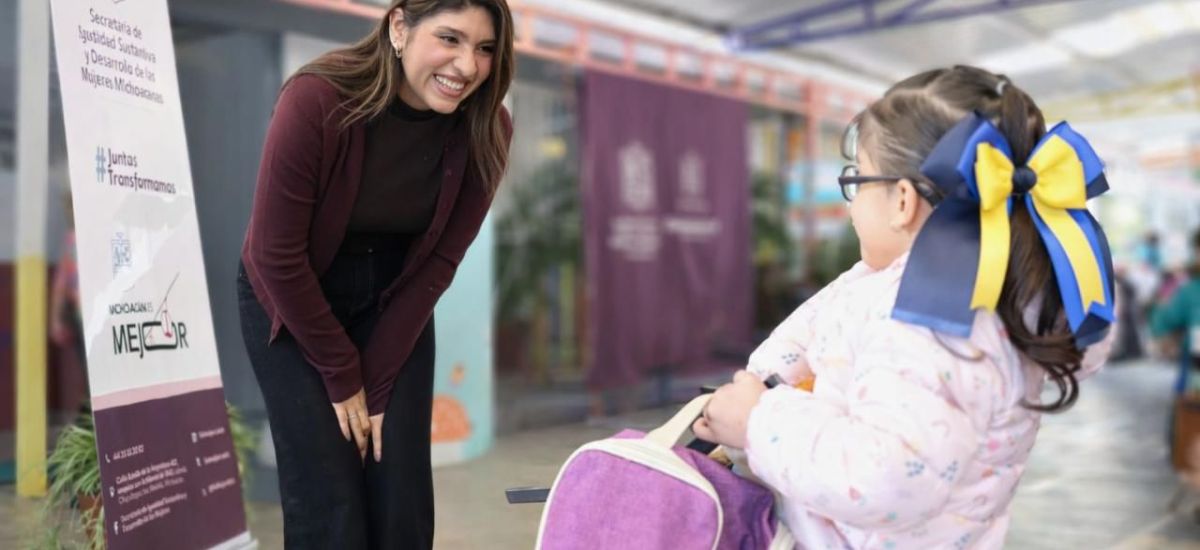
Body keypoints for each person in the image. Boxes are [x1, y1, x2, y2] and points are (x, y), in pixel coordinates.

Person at [693, 66, 1114, 549]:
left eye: (856, 180)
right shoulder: (1000, 291)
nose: (851, 206)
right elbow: (817, 330)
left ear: (902, 200)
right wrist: (760, 387)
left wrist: (759, 422)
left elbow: (883, 478)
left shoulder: (927, 316)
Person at [237, 0, 513, 547]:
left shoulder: (488, 127)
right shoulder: (317, 99)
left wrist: (380, 381)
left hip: (395, 300)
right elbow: (275, 255)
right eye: (450, 38)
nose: (466, 66)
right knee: (330, 496)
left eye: (484, 48)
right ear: (400, 27)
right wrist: (344, 376)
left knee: (399, 493)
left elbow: (439, 262)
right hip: (293, 297)